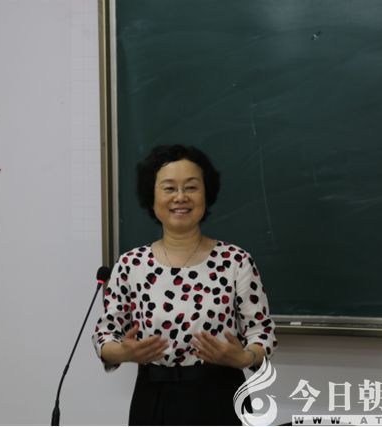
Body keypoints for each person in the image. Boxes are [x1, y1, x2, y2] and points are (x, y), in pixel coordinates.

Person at [92, 144, 277, 425]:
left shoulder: (235, 261)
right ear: (152, 197)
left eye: (191, 187)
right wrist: (123, 352)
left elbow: (262, 333)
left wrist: (244, 358)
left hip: (221, 395)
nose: (181, 197)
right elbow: (105, 335)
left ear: (206, 194)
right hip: (153, 398)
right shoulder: (131, 264)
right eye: (169, 188)